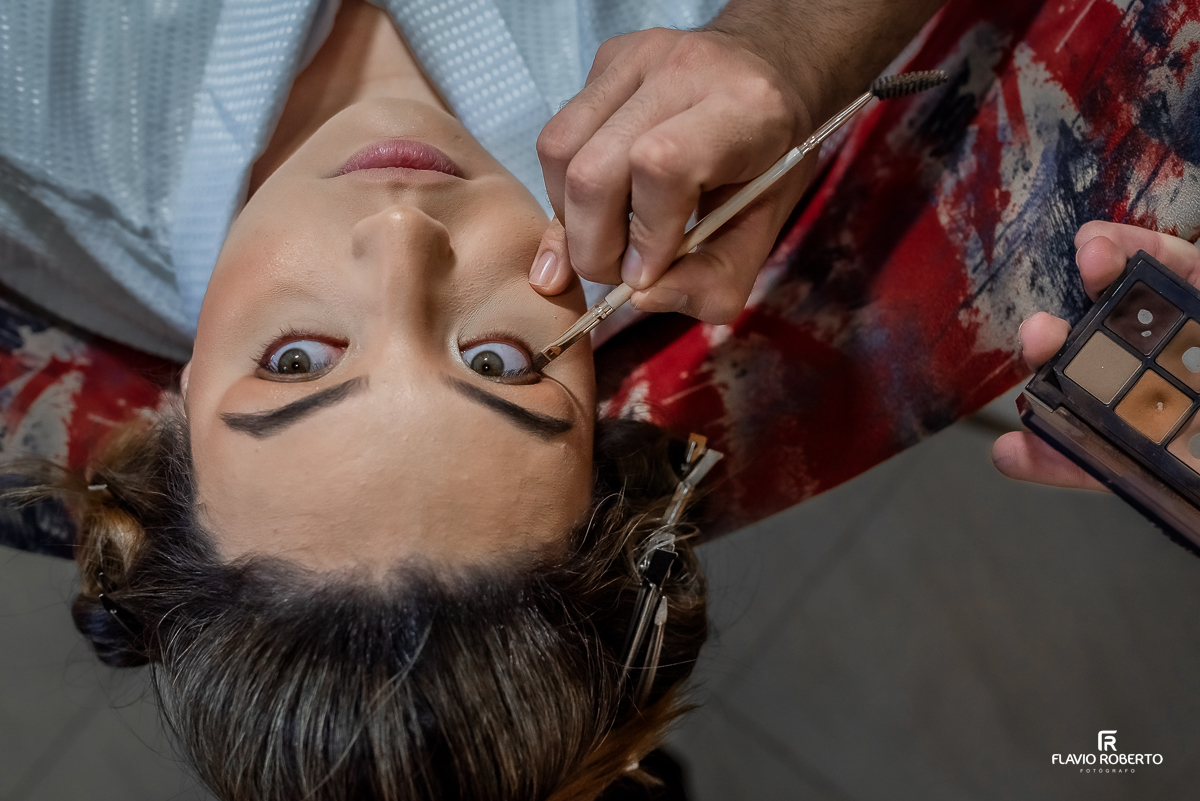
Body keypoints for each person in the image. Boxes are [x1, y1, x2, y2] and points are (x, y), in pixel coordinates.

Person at [0, 0, 949, 799]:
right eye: (496, 364)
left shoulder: (33, 136)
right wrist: (798, 41)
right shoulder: (703, 108)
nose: (403, 236)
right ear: (595, 413)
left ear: (180, 404)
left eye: (296, 363)